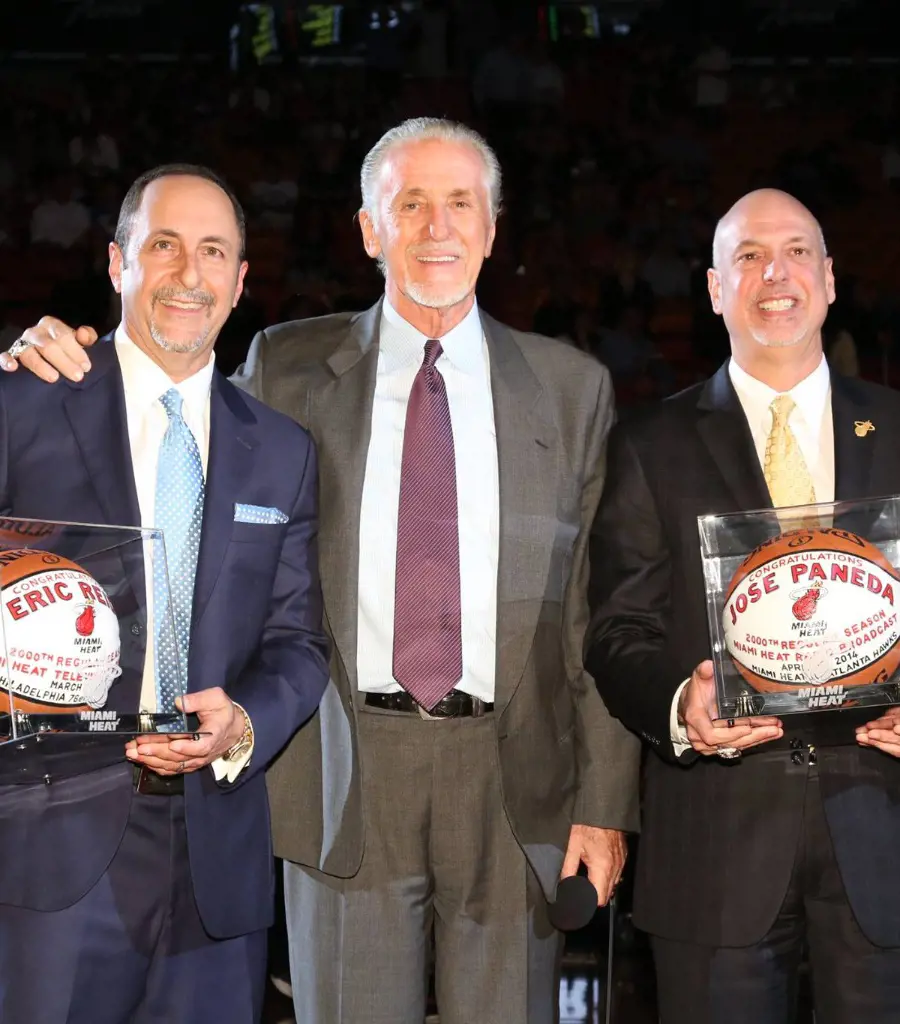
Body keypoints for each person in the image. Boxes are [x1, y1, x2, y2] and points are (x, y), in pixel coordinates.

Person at [3, 118, 640, 1024]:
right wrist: (42, 356)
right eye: (408, 203)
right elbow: (161, 402)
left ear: (493, 229)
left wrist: (604, 801)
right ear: (368, 231)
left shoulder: (573, 389)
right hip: (344, 769)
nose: (436, 227)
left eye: (460, 203)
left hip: (515, 783)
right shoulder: (288, 368)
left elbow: (590, 611)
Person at [0, 164, 330, 1024]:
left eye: (214, 251)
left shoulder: (283, 450)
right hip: (51, 855)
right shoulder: (23, 406)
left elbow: (299, 641)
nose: (190, 273)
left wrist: (246, 721)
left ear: (241, 281)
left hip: (216, 863)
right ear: (118, 264)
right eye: (165, 246)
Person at [585, 188, 900, 1024]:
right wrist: (681, 705)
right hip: (715, 847)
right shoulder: (649, 442)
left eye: (797, 250)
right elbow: (618, 631)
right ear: (717, 288)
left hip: (884, 836)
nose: (776, 273)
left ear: (830, 281)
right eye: (750, 257)